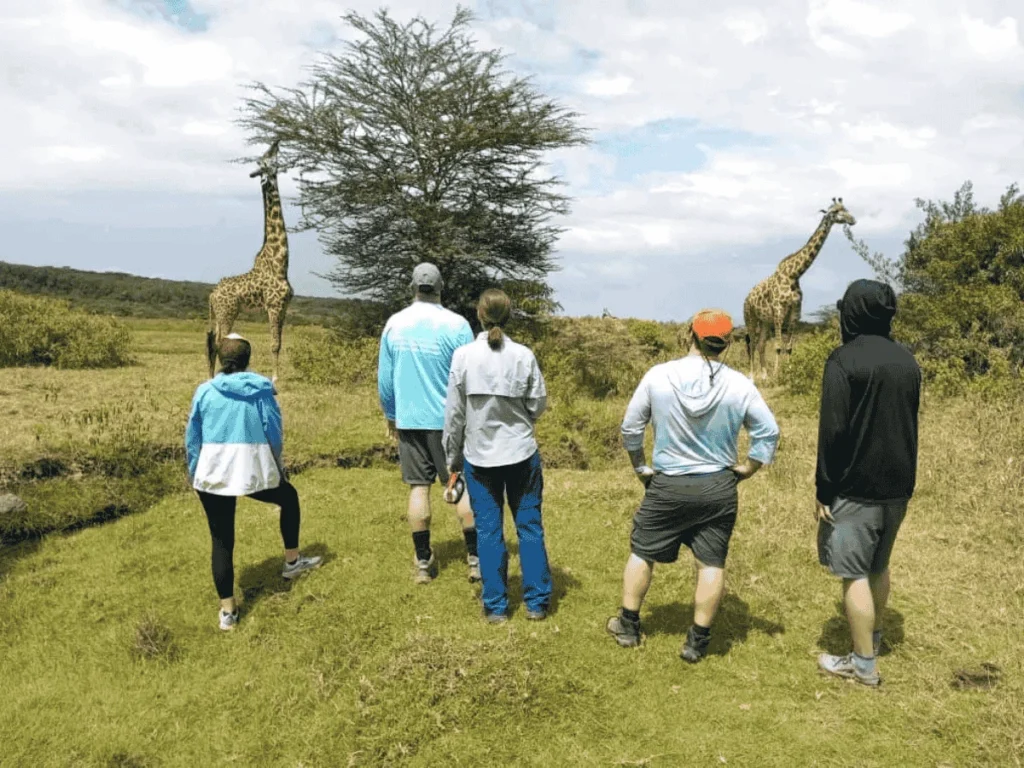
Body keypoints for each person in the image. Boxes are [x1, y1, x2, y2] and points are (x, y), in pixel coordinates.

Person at [606, 309, 780, 661]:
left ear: (690, 335)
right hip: (718, 486)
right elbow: (768, 431)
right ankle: (697, 642)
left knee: (643, 552)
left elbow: (630, 427)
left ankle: (628, 626)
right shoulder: (740, 384)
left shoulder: (658, 375)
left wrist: (640, 466)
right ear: (728, 343)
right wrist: (747, 468)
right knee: (710, 562)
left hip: (668, 485)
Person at [815, 279, 921, 686]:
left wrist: (824, 489)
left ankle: (862, 666)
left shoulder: (843, 360)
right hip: (899, 485)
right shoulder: (908, 361)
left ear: (852, 312)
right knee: (879, 565)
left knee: (854, 573)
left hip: (855, 486)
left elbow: (833, 431)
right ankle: (871, 642)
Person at [185, 333, 322, 631]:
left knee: (222, 540)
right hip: (252, 468)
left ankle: (228, 612)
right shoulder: (261, 390)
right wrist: (278, 466)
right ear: (248, 360)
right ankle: (292, 562)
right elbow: (273, 432)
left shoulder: (204, 391)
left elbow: (193, 437)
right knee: (288, 497)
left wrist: (195, 472)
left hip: (213, 471)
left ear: (220, 360)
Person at [443, 289, 551, 623]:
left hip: (479, 458)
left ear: (479, 314)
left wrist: (452, 458)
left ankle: (496, 606)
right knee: (529, 526)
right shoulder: (524, 355)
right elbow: (538, 404)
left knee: (488, 531)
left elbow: (454, 415)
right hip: (521, 453)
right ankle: (537, 603)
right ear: (509, 315)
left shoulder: (463, 356)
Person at [378, 263, 479, 584]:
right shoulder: (458, 325)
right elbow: (468, 376)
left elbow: (385, 381)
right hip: (448, 423)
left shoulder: (394, 324)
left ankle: (423, 561)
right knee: (458, 485)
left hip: (409, 420)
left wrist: (391, 414)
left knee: (418, 488)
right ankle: (475, 559)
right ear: (440, 287)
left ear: (413, 287)